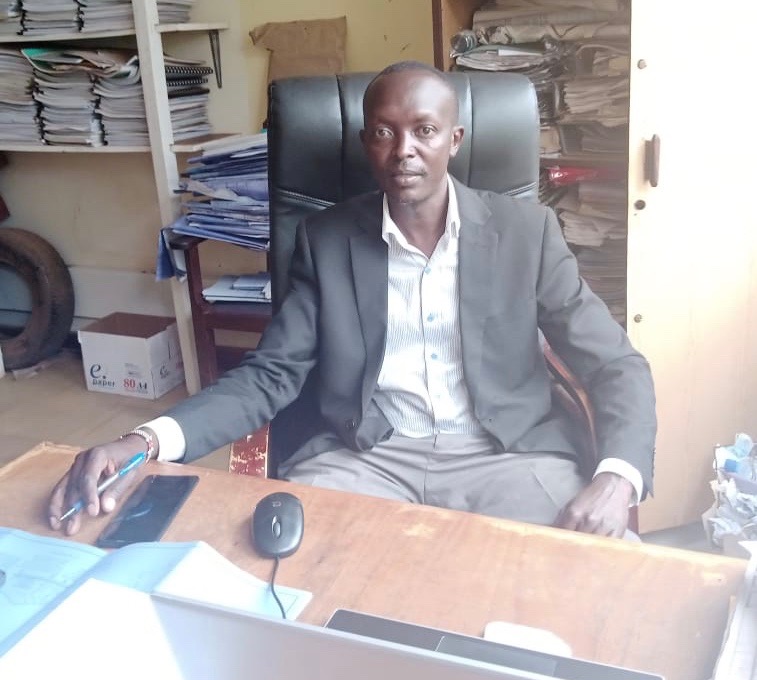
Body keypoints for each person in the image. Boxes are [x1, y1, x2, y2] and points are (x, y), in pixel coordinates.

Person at [48, 61, 656, 539]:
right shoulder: (327, 240)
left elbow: (616, 364)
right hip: (368, 457)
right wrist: (144, 442)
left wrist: (618, 477)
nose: (404, 149)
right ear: (366, 142)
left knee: (597, 578)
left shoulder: (526, 233)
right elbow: (269, 375)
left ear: (455, 139)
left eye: (424, 131)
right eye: (385, 132)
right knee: (276, 574)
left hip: (506, 457)